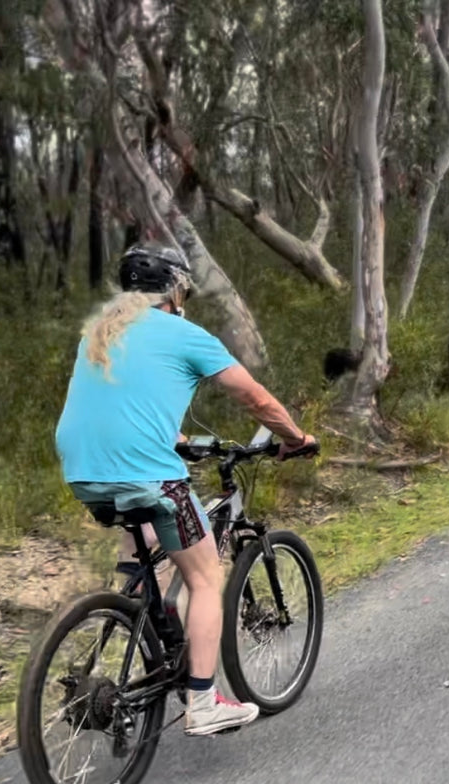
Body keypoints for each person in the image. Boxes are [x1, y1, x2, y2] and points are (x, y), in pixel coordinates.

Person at [54, 243, 318, 736]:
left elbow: (123, 404)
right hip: (147, 472)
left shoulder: (100, 332)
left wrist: (177, 440)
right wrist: (296, 438)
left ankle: (142, 624)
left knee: (148, 551)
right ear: (176, 290)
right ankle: (202, 702)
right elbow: (254, 397)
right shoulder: (183, 333)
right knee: (205, 579)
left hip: (83, 469)